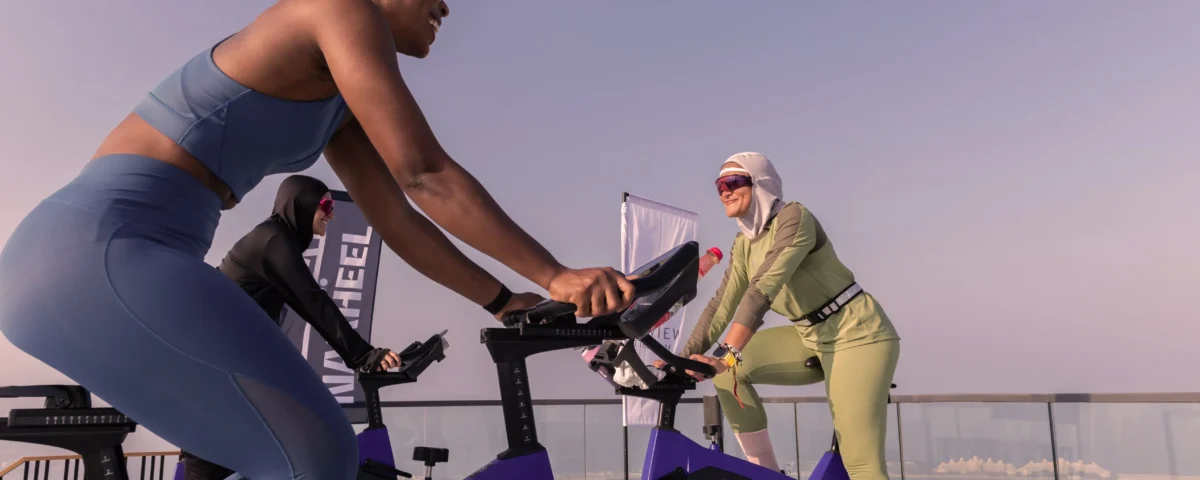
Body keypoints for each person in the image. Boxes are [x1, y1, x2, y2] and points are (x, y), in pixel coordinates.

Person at [0, 1, 636, 478]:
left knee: (282, 453)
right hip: (100, 248)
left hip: (94, 256)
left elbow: (399, 221)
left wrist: (504, 302)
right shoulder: (341, 8)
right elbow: (426, 173)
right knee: (316, 451)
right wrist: (555, 275)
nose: (446, 7)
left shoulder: (337, 100)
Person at [669, 152, 901, 480]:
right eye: (720, 185)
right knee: (727, 375)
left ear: (761, 183)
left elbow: (761, 291)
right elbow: (720, 305)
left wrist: (729, 353)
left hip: (857, 333)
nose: (725, 191)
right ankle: (766, 474)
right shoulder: (743, 244)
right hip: (809, 335)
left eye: (734, 181)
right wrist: (678, 360)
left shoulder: (794, 217)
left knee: (860, 463)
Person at [176, 174, 402, 479]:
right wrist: (363, 356)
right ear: (302, 205)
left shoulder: (277, 241)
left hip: (228, 377)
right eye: (325, 205)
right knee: (214, 462)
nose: (331, 214)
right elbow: (312, 302)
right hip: (216, 382)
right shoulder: (273, 241)